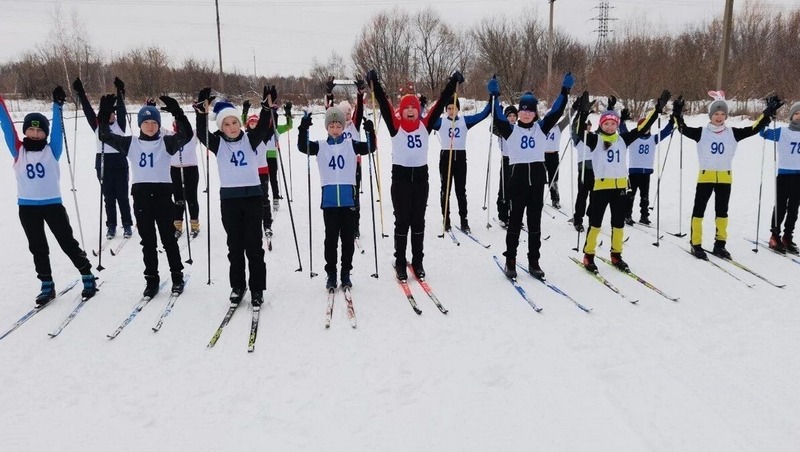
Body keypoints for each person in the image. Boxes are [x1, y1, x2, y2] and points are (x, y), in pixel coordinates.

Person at [0, 86, 97, 304]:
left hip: (52, 205)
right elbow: (6, 126)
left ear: (44, 133)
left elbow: (56, 132)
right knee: (38, 247)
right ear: (25, 132)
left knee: (67, 242)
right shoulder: (18, 150)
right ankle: (46, 284)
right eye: (31, 130)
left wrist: (57, 106)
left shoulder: (52, 149)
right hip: (27, 207)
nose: (35, 134)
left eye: (39, 131)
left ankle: (87, 274)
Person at [366, 69, 461, 281]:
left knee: (418, 222)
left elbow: (440, 103)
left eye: (414, 108)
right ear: (402, 110)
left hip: (420, 179)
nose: (410, 111)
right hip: (400, 180)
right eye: (406, 108)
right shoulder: (396, 125)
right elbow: (383, 102)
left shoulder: (424, 125)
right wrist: (374, 82)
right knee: (401, 222)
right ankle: (400, 262)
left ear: (419, 111)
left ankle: (417, 262)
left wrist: (453, 81)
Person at [97, 93, 189, 297]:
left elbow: (187, 135)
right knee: (147, 241)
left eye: (153, 122)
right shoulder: (131, 143)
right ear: (139, 124)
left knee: (168, 239)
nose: (149, 126)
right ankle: (151, 280)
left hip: (164, 195)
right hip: (141, 196)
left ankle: (177, 276)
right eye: (145, 122)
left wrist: (177, 112)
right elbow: (104, 136)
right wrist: (104, 114)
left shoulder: (167, 142)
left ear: (158, 124)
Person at [673, 92, 781, 259]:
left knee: (722, 213)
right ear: (710, 115)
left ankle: (720, 244)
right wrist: (677, 114)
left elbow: (754, 129)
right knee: (699, 212)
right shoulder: (701, 132)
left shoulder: (732, 133)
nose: (719, 117)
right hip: (705, 178)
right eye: (716, 113)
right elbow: (682, 129)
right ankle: (696, 244)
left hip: (724, 178)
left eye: (723, 114)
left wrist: (767, 115)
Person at [194, 87, 275, 306]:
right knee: (235, 247)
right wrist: (201, 111)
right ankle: (238, 286)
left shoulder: (250, 140)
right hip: (229, 201)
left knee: (254, 247)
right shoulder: (218, 144)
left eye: (234, 123)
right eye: (226, 124)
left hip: (252, 199)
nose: (231, 127)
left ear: (240, 123)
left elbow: (263, 127)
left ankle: (257, 287)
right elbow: (201, 133)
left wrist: (267, 107)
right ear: (221, 126)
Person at [574, 90, 671, 272]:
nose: (610, 127)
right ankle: (589, 255)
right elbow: (579, 132)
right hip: (601, 188)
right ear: (602, 125)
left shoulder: (623, 139)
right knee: (595, 223)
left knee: (618, 224)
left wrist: (657, 110)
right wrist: (583, 112)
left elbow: (642, 129)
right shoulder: (596, 139)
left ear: (617, 125)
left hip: (619, 189)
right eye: (607, 124)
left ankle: (616, 254)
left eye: (613, 124)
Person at [491, 73, 574, 279]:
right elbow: (497, 116)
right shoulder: (510, 131)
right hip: (517, 180)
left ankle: (534, 261)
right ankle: (511, 260)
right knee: (515, 223)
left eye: (530, 110)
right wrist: (494, 95)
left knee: (535, 224)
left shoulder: (541, 128)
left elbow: (556, 111)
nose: (526, 114)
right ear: (519, 112)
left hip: (537, 180)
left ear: (535, 113)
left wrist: (564, 91)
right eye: (523, 110)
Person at [297, 106, 376, 289]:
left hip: (348, 200)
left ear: (343, 127)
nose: (335, 128)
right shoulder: (320, 146)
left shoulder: (351, 144)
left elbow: (371, 147)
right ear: (327, 127)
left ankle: (346, 273)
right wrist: (303, 127)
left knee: (348, 240)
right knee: (331, 239)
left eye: (338, 125)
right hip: (330, 202)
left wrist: (370, 131)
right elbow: (303, 146)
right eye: (331, 125)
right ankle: (331, 274)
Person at [72, 76, 133, 239]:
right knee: (109, 198)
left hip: (119, 163)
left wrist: (120, 92)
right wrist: (81, 94)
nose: (112, 116)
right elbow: (87, 110)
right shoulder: (98, 125)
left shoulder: (120, 124)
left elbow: (121, 108)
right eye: (109, 113)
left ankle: (127, 224)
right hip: (103, 163)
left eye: (113, 113)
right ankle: (111, 225)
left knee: (122, 196)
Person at [432, 91, 493, 233]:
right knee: (445, 190)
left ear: (458, 109)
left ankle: (464, 220)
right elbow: (426, 121)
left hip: (459, 158)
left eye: (454, 108)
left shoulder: (465, 121)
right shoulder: (441, 122)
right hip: (446, 157)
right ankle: (445, 220)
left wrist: (491, 101)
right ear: (446, 110)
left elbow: (483, 115)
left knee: (461, 191)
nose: (452, 111)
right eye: (449, 108)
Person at [620, 106, 674, 226]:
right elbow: (623, 132)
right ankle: (627, 214)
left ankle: (644, 215)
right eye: (643, 127)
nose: (646, 130)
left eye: (648, 127)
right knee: (631, 195)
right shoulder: (633, 138)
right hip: (634, 172)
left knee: (645, 196)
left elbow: (664, 133)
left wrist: (671, 122)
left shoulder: (653, 139)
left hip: (646, 173)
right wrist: (622, 121)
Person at [759, 101, 800, 254]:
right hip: (784, 175)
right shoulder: (783, 132)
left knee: (794, 209)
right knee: (781, 207)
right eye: (796, 114)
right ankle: (775, 236)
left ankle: (788, 237)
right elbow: (763, 133)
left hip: (799, 176)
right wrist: (767, 118)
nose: (799, 117)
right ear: (791, 116)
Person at [241, 101, 274, 238]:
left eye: (256, 123)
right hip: (249, 173)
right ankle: (250, 224)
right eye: (251, 123)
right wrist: (245, 110)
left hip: (262, 171)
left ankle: (267, 224)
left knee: (264, 198)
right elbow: (240, 124)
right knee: (250, 200)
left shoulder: (263, 136)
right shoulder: (244, 138)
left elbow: (270, 127)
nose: (253, 125)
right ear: (248, 125)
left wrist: (271, 111)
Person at [169, 119, 201, 238]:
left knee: (191, 198)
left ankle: (194, 224)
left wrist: (200, 113)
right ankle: (177, 225)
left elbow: (201, 127)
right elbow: (157, 129)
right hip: (175, 169)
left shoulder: (192, 135)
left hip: (190, 169)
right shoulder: (170, 135)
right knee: (178, 199)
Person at [495, 105, 517, 228]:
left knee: (516, 190)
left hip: (517, 161)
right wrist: (497, 114)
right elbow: (492, 127)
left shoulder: (519, 128)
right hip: (506, 159)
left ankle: (514, 215)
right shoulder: (502, 128)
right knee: (504, 188)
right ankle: (503, 215)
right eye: (509, 116)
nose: (512, 118)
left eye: (514, 116)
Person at [572, 115, 594, 232]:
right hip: (584, 169)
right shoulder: (578, 139)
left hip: (596, 169)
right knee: (582, 195)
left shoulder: (594, 137)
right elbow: (573, 128)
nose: (588, 128)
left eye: (589, 126)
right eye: (586, 126)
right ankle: (578, 219)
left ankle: (592, 218)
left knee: (595, 196)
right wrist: (580, 114)